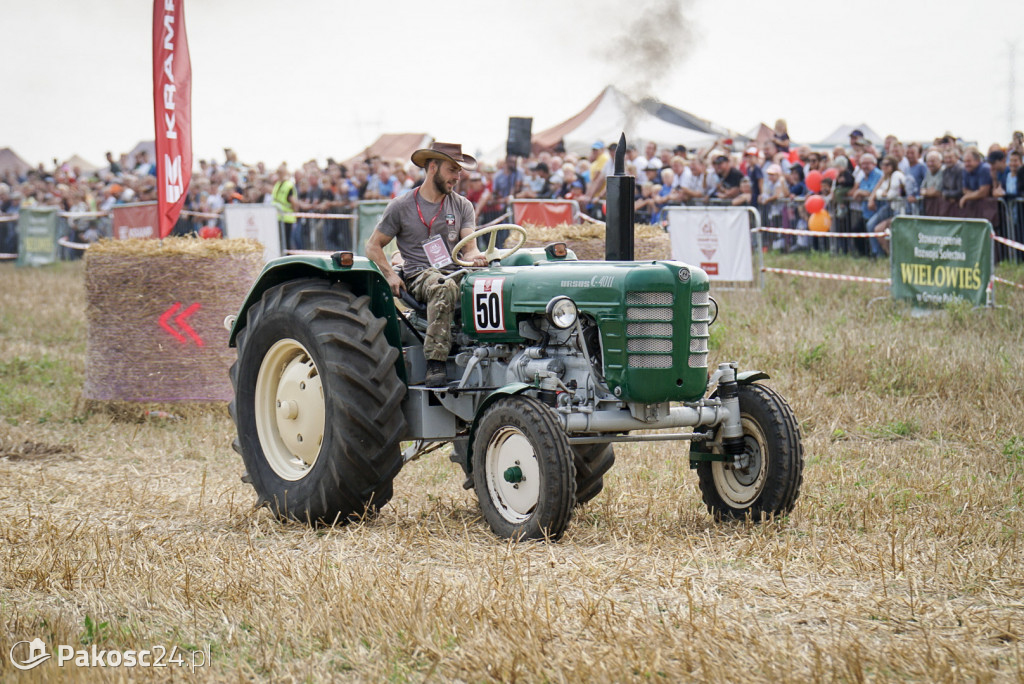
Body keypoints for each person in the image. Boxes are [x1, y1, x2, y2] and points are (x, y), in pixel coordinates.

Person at [365, 142, 488, 387]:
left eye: (459, 171)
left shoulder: (462, 205)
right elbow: (372, 246)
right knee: (442, 286)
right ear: (433, 168)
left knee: (490, 283)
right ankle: (436, 362)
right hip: (419, 275)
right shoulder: (401, 206)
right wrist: (389, 275)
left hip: (455, 271)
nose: (457, 176)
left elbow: (469, 245)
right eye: (452, 170)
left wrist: (476, 257)